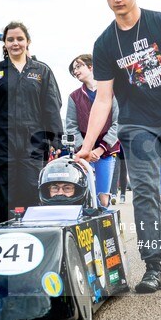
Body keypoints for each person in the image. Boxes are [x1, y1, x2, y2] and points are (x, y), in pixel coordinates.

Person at [76, 0, 161, 293]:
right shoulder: (105, 43)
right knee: (144, 190)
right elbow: (103, 100)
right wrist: (87, 146)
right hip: (137, 123)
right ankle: (152, 265)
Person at [0, 22, 63, 223]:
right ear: (4, 43)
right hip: (1, 143)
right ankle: (5, 233)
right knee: (4, 193)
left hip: (34, 143)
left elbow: (51, 107)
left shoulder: (42, 71)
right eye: (10, 39)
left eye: (20, 39)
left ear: (28, 41)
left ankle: (34, 233)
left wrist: (56, 140)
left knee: (32, 188)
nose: (15, 43)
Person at [65, 53, 120, 208]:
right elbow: (70, 126)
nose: (75, 71)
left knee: (102, 199)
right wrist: (85, 149)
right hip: (83, 155)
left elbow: (119, 123)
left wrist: (101, 149)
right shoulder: (74, 97)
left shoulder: (113, 92)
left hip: (106, 152)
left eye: (78, 66)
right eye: (73, 69)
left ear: (91, 66)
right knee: (85, 198)